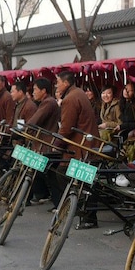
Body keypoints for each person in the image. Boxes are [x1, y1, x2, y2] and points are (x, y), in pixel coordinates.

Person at [53, 71, 101, 228]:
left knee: (65, 174)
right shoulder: (78, 92)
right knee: (82, 179)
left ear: (66, 83)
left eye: (58, 82)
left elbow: (66, 128)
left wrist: (56, 145)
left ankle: (83, 212)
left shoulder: (70, 98)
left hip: (81, 146)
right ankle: (81, 210)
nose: (56, 85)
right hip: (85, 143)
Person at [26, 78, 61, 205]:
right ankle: (34, 197)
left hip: (47, 144)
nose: (33, 92)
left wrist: (26, 128)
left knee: (49, 174)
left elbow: (35, 120)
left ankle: (56, 202)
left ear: (43, 90)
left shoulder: (48, 103)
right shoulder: (46, 102)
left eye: (35, 89)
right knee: (45, 173)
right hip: (43, 143)